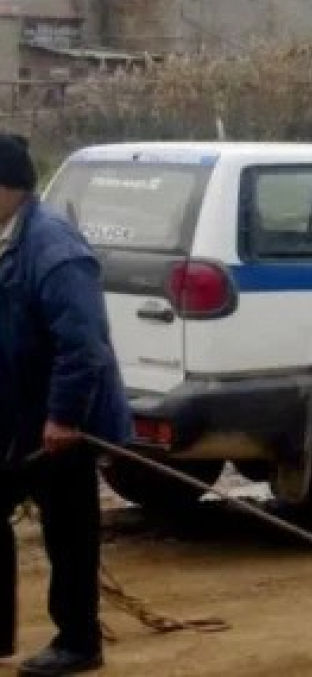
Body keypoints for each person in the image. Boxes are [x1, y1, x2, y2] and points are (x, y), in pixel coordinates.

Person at [0, 135, 132, 676]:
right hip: (18, 412)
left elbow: (84, 346)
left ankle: (79, 641)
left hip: (66, 421)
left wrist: (63, 417)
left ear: (7, 187)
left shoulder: (54, 250)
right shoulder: (8, 237)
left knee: (69, 531)